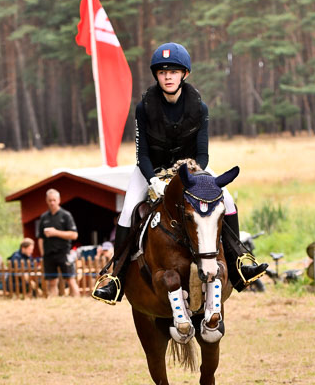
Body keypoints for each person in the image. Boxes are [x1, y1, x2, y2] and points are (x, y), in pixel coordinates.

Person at [92, 41, 267, 303]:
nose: (168, 77)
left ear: (184, 74)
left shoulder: (199, 107)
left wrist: (194, 175)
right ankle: (115, 277)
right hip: (151, 170)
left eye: (173, 72)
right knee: (128, 210)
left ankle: (240, 263)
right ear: (156, 75)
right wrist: (153, 181)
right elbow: (142, 155)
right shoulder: (144, 107)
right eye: (162, 72)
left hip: (191, 170)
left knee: (228, 201)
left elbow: (203, 154)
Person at [37, 189, 80, 297]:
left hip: (63, 252)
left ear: (59, 200)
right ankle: (53, 302)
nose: (52, 202)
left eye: (54, 200)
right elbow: (40, 238)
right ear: (46, 201)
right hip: (48, 254)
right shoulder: (44, 217)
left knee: (70, 279)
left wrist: (55, 232)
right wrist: (43, 254)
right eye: (50, 200)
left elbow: (74, 235)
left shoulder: (66, 215)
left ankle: (77, 301)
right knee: (51, 282)